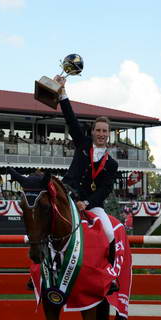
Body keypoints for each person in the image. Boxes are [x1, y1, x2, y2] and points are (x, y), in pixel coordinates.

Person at [54, 75, 118, 258]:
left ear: (109, 134)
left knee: (109, 232)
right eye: (98, 130)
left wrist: (87, 203)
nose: (101, 134)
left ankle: (110, 273)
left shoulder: (112, 164)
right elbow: (71, 120)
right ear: (92, 132)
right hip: (68, 196)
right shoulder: (83, 143)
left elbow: (105, 190)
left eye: (104, 131)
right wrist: (62, 92)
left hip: (91, 204)